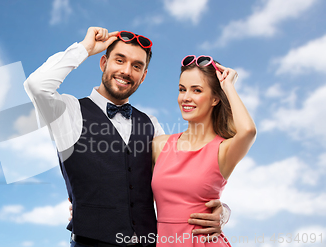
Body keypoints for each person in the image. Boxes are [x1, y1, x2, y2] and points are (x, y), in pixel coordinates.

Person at [24, 27, 229, 247]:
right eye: (119, 60)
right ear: (103, 63)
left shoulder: (152, 125)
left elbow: (186, 179)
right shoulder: (68, 112)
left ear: (143, 76)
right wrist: (85, 48)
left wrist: (221, 211)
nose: (127, 71)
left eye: (137, 66)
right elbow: (36, 85)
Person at [151, 56, 256, 246]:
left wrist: (228, 86)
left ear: (215, 98)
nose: (186, 97)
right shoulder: (159, 145)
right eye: (182, 89)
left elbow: (248, 131)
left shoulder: (223, 150)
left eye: (196, 90)